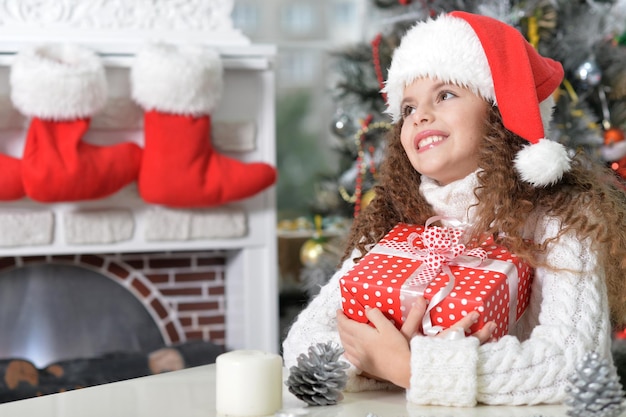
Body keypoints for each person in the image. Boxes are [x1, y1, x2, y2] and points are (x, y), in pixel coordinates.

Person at [282, 11, 626, 407]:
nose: (421, 116)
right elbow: (302, 347)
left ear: (499, 113)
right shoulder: (399, 223)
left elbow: (574, 364)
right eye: (408, 108)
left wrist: (412, 367)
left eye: (445, 95)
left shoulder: (562, 219)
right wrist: (390, 356)